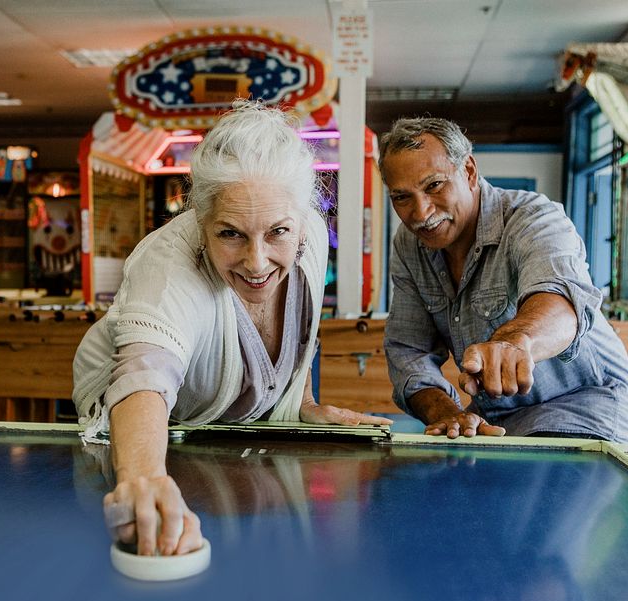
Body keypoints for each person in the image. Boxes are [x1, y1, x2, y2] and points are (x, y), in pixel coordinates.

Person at [72, 101, 391, 558]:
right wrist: (143, 480)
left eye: (277, 232)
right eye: (230, 234)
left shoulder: (312, 236)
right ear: (201, 224)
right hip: (134, 445)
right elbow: (146, 375)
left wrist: (301, 403)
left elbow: (295, 335)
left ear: (303, 221)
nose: (256, 262)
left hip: (227, 447)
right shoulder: (169, 264)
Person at [379, 116, 628, 443]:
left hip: (583, 406)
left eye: (434, 185)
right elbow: (409, 352)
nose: (421, 213)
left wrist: (516, 341)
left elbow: (560, 299)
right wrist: (448, 414)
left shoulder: (534, 217)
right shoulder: (409, 243)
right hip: (497, 421)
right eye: (402, 197)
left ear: (469, 172)